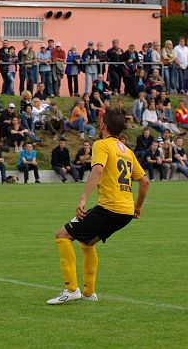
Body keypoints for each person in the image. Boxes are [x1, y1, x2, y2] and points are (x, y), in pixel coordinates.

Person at [47, 109, 149, 305]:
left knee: (62, 236)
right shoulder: (127, 151)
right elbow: (144, 181)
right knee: (87, 243)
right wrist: (137, 207)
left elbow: (98, 170)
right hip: (126, 212)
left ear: (103, 125)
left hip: (110, 208)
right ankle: (89, 292)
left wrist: (83, 199)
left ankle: (71, 289)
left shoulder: (101, 144)